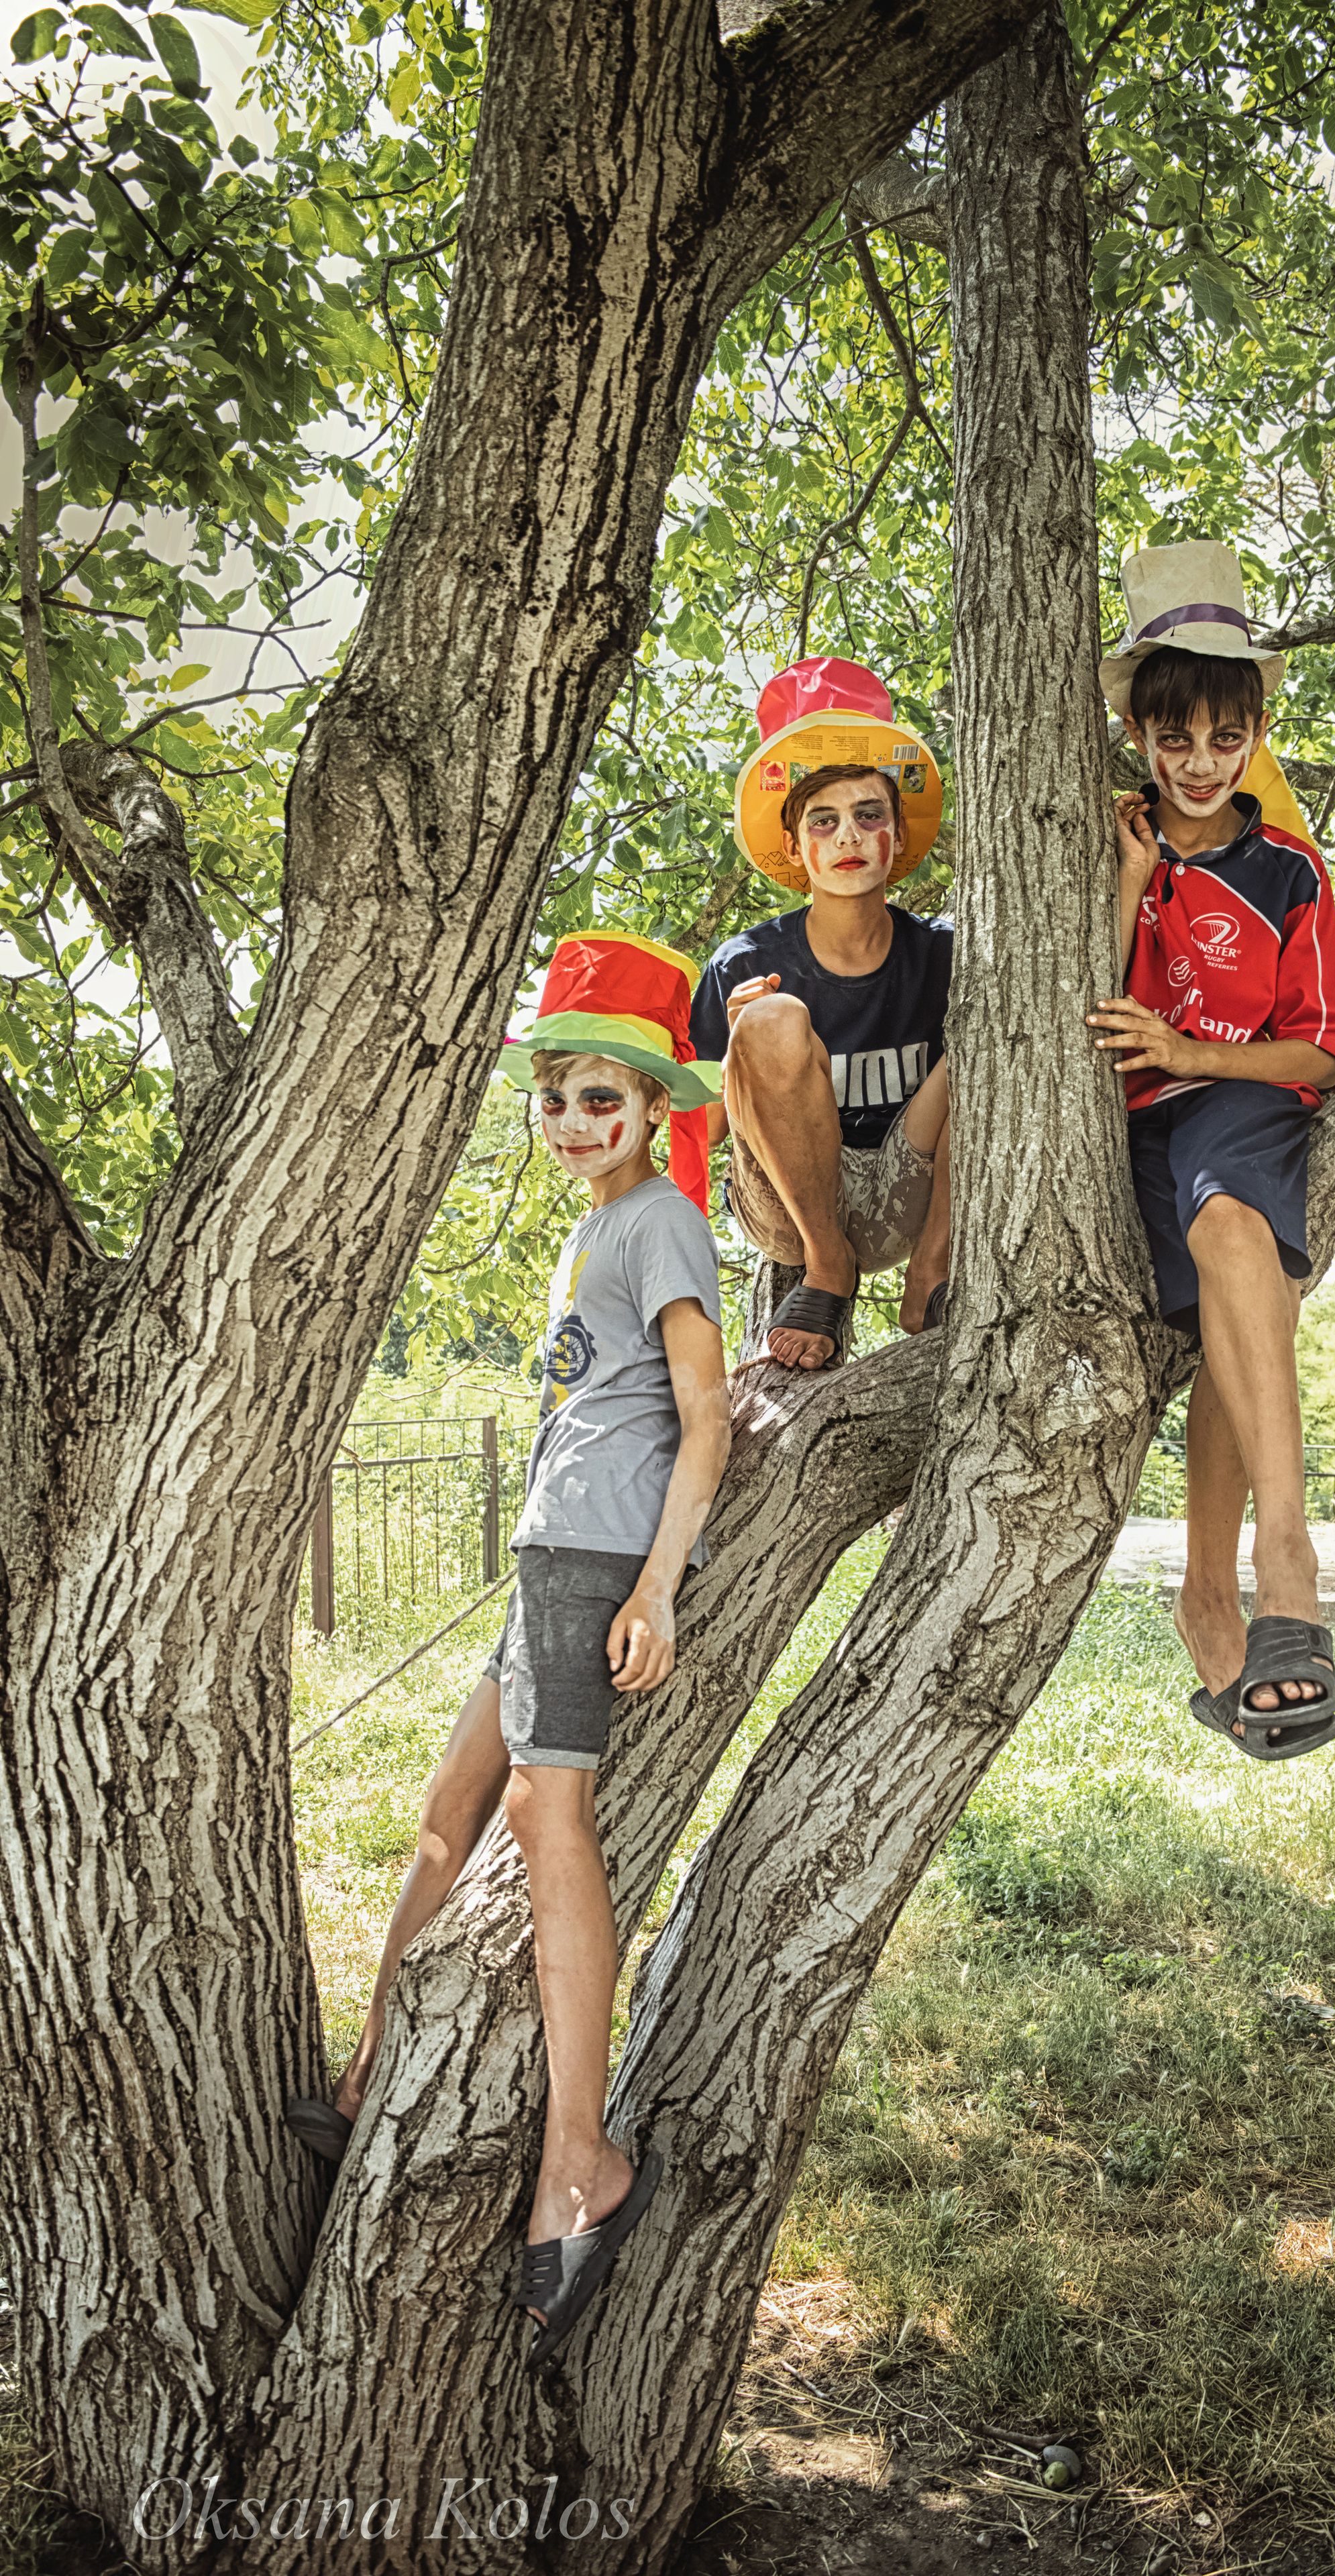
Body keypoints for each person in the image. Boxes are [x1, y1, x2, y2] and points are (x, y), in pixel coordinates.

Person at [286, 934, 730, 2370]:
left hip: (600, 1555)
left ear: (651, 1107)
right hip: (554, 1549)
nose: (574, 1123)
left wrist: (655, 1585)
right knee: (444, 1811)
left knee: (553, 1824)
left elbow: (702, 1411)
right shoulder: (589, 1227)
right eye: (554, 1099)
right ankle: (364, 2082)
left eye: (601, 1100)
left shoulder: (658, 1219)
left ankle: (577, 2159)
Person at [1087, 541, 1335, 1761]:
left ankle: (1283, 1563)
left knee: (1235, 1234)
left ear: (1253, 734)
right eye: (1174, 740)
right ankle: (1204, 1594)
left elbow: (1321, 1054)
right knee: (1217, 1328)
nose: (1199, 765)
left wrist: (1198, 1054)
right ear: (1142, 735)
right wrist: (1129, 880)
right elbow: (1076, 1007)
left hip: (1239, 1095)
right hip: (1129, 1125)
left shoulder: (1289, 870)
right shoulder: (1119, 852)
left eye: (1222, 738)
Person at [690, 657, 952, 1371]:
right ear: (794, 846)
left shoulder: (943, 951)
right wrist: (742, 1051)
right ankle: (828, 1270)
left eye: (869, 816)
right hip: (789, 1207)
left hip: (908, 1188)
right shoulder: (743, 962)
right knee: (772, 1018)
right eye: (824, 821)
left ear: (896, 837)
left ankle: (931, 1272)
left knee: (996, 1027)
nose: (847, 837)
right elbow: (705, 1133)